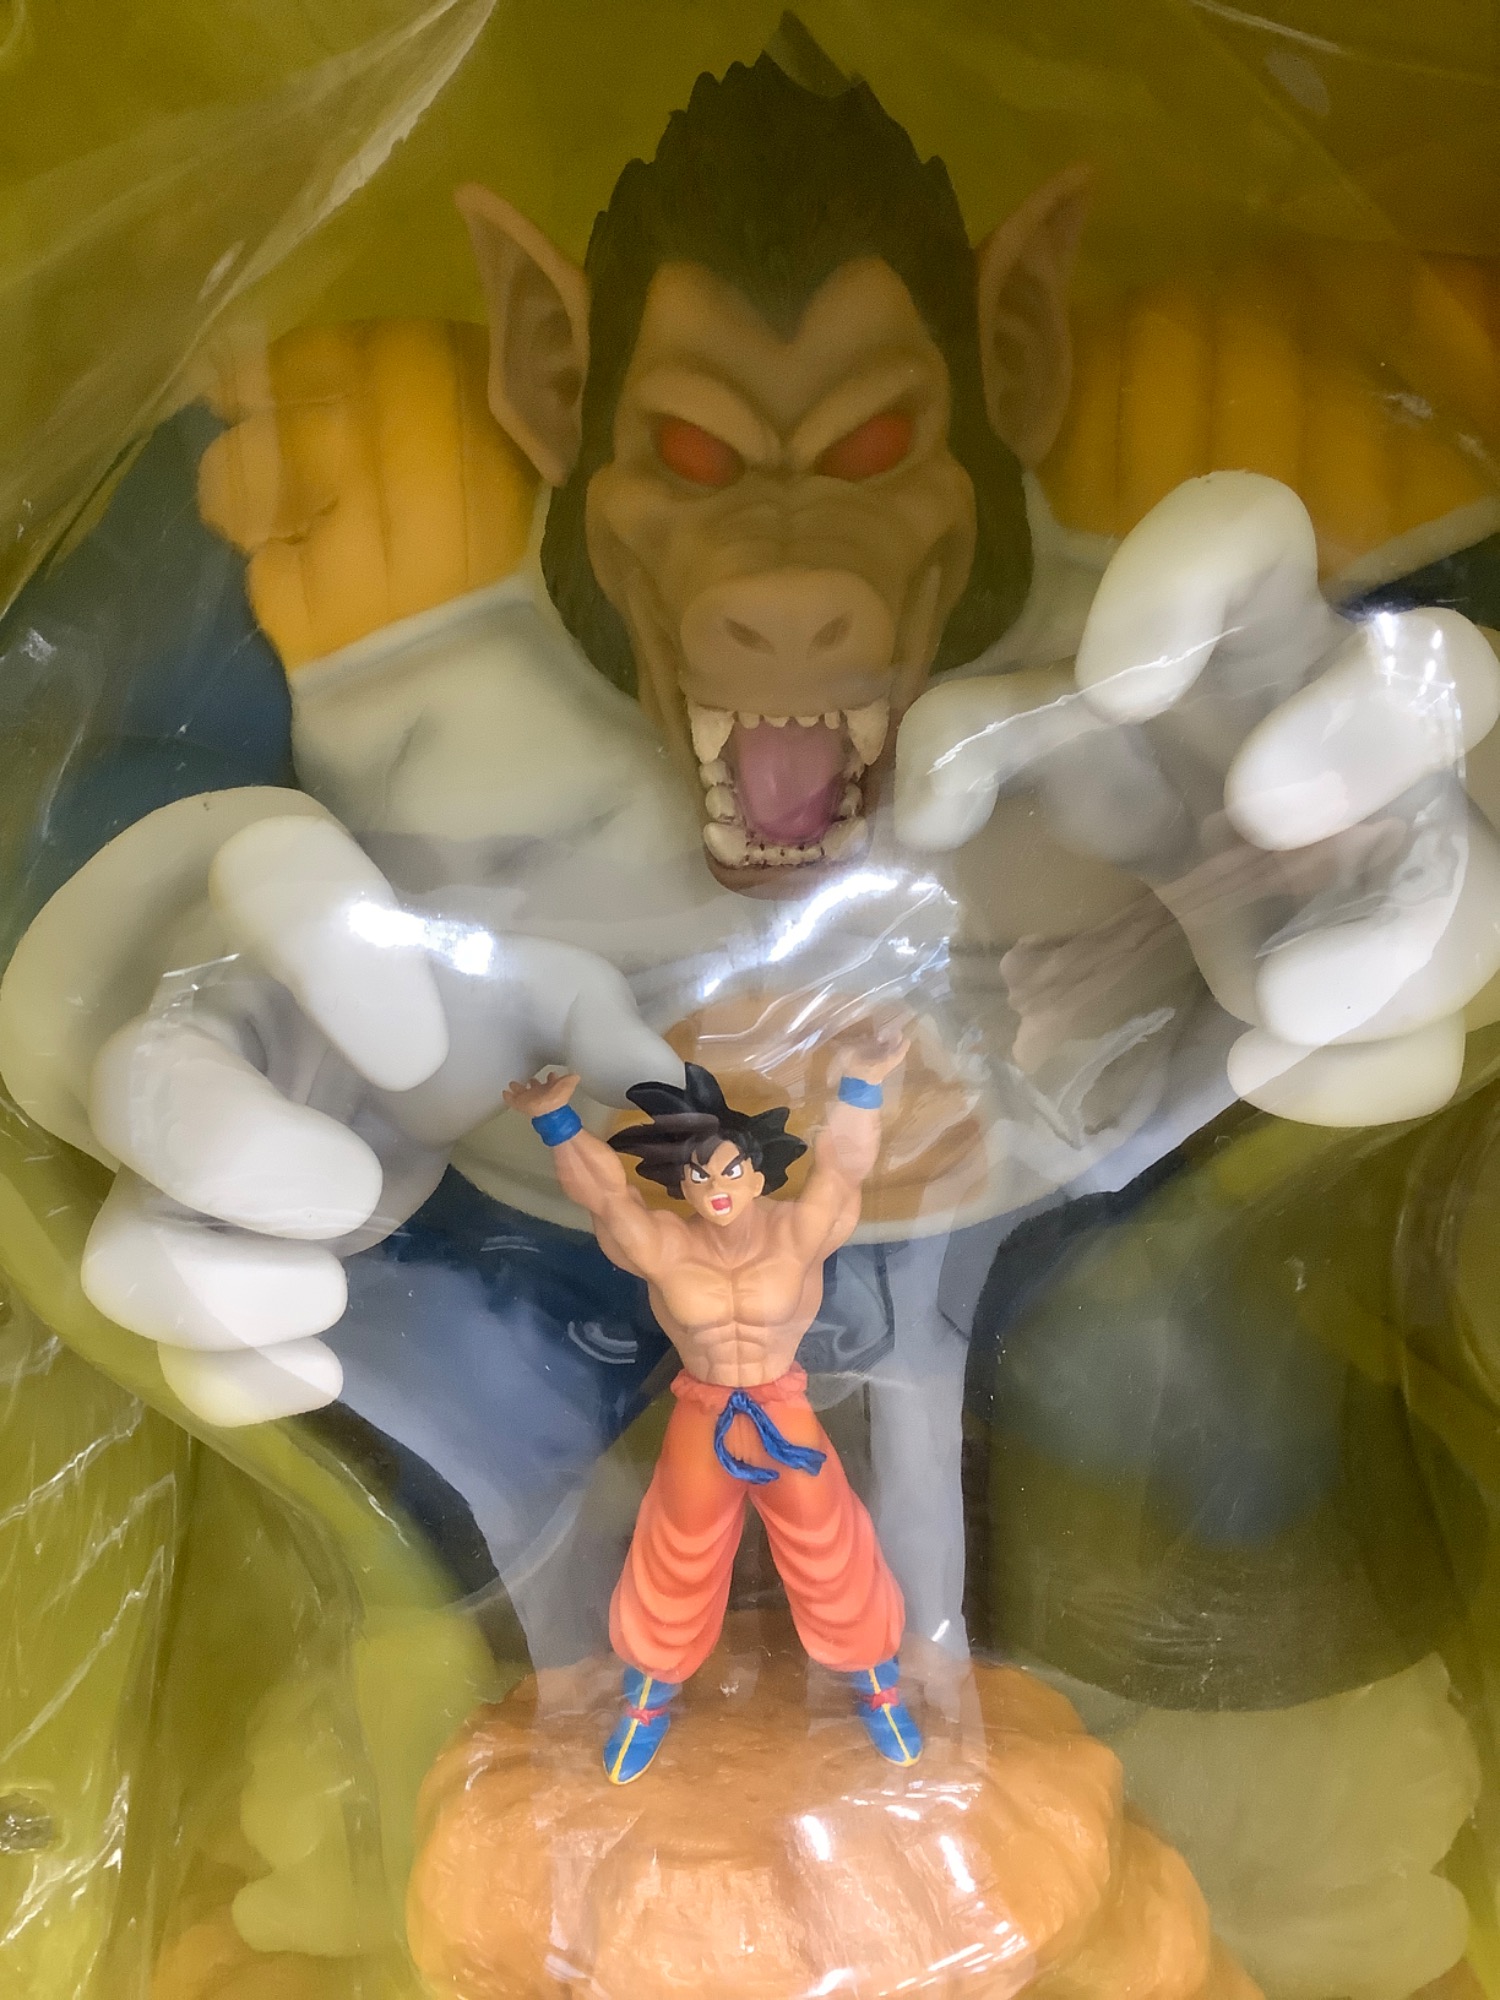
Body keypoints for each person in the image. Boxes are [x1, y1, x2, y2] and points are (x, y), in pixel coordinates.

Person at [504, 1035, 921, 1783]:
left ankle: (877, 1683)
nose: (717, 1186)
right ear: (683, 1185)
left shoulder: (797, 1233)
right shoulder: (666, 1246)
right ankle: (646, 1699)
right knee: (676, 1550)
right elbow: (606, 1197)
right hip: (704, 1414)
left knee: (828, 1542)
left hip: (782, 1410)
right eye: (700, 1174)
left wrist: (861, 1086)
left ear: (758, 1175)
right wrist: (556, 1122)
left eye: (731, 1169)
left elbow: (842, 1171)